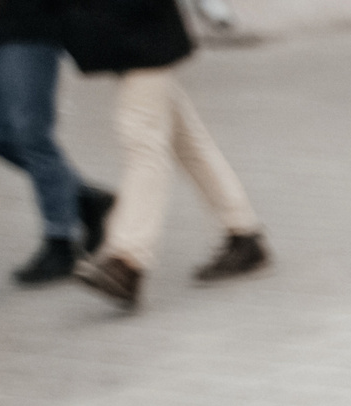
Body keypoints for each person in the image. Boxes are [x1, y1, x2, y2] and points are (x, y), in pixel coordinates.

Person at [59, 0, 266, 308]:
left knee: (142, 141)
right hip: (128, 36)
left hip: (141, 32)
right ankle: (243, 233)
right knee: (185, 139)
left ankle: (127, 260)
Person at [0, 0, 113, 283]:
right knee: (3, 136)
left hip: (31, 25)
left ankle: (61, 240)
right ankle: (85, 198)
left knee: (31, 132)